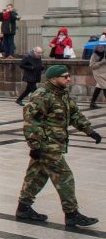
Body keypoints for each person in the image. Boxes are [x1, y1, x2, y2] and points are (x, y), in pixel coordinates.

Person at [16, 65, 101, 227]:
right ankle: (71, 213)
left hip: (55, 143)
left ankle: (23, 207)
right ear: (53, 78)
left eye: (68, 76)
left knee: (36, 175)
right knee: (64, 177)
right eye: (65, 76)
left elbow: (75, 114)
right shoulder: (42, 95)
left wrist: (89, 131)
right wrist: (35, 146)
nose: (68, 79)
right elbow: (31, 121)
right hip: (46, 145)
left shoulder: (61, 94)